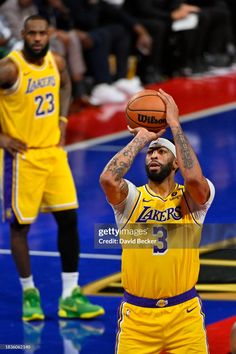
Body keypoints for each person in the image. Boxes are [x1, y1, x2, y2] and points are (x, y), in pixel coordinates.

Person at [0, 14, 104, 321]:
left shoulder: (56, 62)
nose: (36, 38)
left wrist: (62, 120)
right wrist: (1, 136)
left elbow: (66, 84)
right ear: (23, 34)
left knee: (69, 219)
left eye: (41, 33)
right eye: (31, 33)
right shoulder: (9, 68)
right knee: (21, 227)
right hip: (23, 159)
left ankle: (70, 295)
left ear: (50, 34)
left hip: (54, 154)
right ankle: (29, 293)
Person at [100, 88, 215, 353]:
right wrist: (142, 138)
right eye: (150, 152)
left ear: (177, 164)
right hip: (138, 319)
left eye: (161, 152)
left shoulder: (193, 200)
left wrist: (174, 124)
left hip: (184, 316)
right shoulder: (130, 199)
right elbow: (108, 179)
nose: (153, 154)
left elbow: (195, 179)